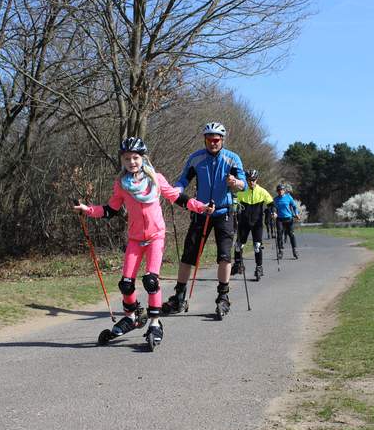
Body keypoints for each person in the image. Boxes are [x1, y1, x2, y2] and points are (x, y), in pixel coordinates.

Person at [73, 137, 212, 348]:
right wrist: (88, 210)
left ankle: (155, 323)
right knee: (125, 283)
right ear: (122, 160)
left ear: (142, 158)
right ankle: (133, 317)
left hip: (156, 237)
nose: (132, 162)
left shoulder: (155, 179)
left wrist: (202, 207)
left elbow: (177, 197)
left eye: (135, 158)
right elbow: (111, 210)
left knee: (151, 281)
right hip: (135, 239)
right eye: (127, 158)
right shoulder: (121, 184)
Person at [162, 122, 246, 319]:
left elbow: (243, 185)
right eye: (209, 139)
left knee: (224, 256)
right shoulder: (196, 158)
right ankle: (179, 296)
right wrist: (177, 191)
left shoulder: (232, 159)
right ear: (205, 140)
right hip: (201, 212)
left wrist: (236, 183)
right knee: (188, 255)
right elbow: (183, 180)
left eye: (217, 140)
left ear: (222, 140)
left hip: (224, 212)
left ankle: (223, 297)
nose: (213, 143)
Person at [231, 169, 273, 280]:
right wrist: (234, 210)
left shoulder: (262, 191)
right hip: (244, 223)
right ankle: (238, 264)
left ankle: (259, 267)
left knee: (257, 246)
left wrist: (273, 212)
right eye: (249, 180)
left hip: (257, 224)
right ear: (246, 180)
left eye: (253, 180)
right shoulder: (241, 191)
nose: (251, 182)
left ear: (256, 180)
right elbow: (234, 202)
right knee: (238, 245)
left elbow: (270, 203)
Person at [273, 183, 300, 260]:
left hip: (289, 218)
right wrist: (274, 213)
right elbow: (273, 208)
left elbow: (294, 206)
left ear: (284, 190)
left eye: (281, 190)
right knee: (279, 234)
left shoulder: (288, 197)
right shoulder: (275, 199)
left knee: (291, 234)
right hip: (279, 219)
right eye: (278, 190)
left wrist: (296, 214)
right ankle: (280, 251)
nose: (280, 191)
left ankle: (295, 251)